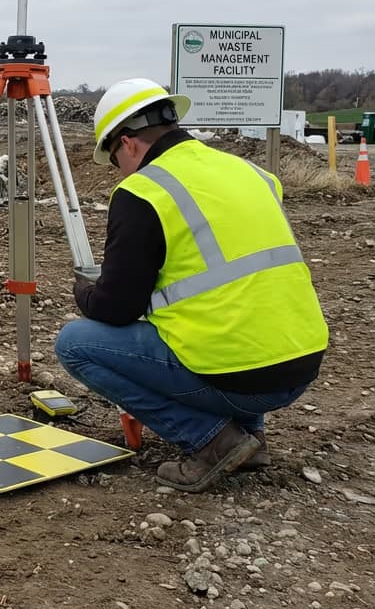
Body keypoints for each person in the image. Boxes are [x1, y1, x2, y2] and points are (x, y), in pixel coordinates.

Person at [54, 78, 328, 493]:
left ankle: (213, 442)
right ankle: (251, 437)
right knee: (235, 313)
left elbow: (116, 308)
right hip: (301, 363)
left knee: (75, 343)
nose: (119, 171)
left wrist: (83, 291)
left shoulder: (143, 191)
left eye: (114, 161)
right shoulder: (252, 173)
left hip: (239, 377)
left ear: (127, 144)